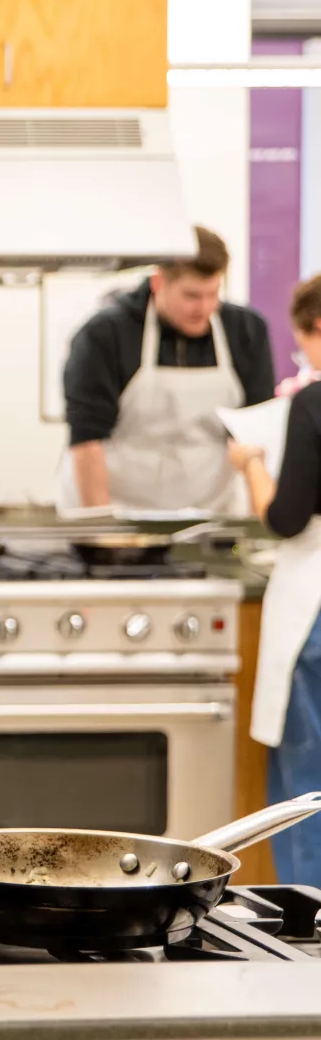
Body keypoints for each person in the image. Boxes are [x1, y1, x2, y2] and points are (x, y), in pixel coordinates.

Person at [61, 226, 275, 512]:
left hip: (211, 511)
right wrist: (102, 533)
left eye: (213, 294)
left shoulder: (246, 331)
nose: (205, 307)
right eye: (192, 296)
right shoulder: (105, 334)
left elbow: (253, 434)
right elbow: (87, 443)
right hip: (120, 510)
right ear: (158, 282)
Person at [229, 273, 321, 888]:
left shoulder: (311, 403)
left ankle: (308, 919)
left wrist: (252, 461)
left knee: (307, 777)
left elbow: (287, 518)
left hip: (314, 604)